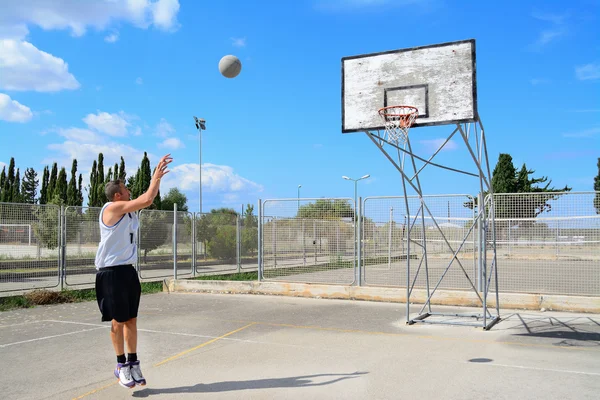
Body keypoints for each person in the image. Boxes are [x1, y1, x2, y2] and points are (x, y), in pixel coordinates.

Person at [94, 154, 173, 388]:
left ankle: (133, 362)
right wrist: (155, 176)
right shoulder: (112, 208)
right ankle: (119, 365)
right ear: (118, 194)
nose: (129, 191)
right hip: (110, 273)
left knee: (131, 320)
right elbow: (147, 199)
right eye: (126, 189)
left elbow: (149, 197)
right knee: (118, 321)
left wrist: (156, 181)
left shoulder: (126, 210)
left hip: (127, 271)